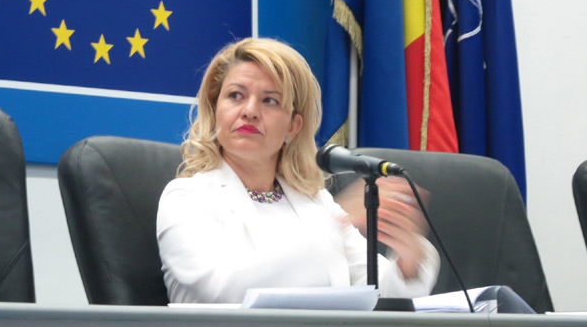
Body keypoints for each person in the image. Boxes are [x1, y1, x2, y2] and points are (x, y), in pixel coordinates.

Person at [156, 37, 439, 304]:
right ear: (215, 109)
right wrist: (334, 227)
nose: (249, 111)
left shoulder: (318, 204)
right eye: (236, 95)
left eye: (269, 100)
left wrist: (408, 258)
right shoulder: (185, 198)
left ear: (293, 126)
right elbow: (221, 291)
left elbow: (376, 293)